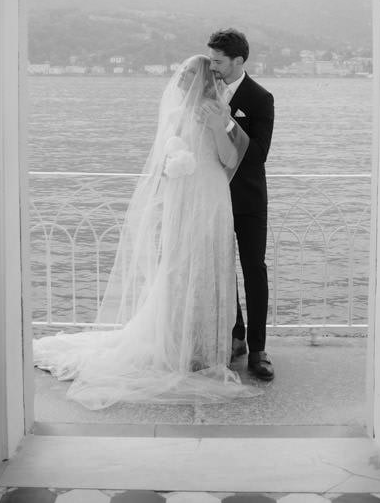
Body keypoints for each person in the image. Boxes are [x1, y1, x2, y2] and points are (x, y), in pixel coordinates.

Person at [32, 55, 259, 409]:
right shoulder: (172, 116)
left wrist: (218, 126)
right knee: (180, 267)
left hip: (212, 198)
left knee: (212, 268)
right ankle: (178, 345)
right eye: (181, 73)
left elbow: (230, 160)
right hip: (183, 199)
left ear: (202, 79)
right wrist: (173, 168)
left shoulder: (220, 111)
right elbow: (162, 165)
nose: (181, 77)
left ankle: (207, 350)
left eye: (188, 73)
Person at [207, 28, 276, 382]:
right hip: (213, 198)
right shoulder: (204, 93)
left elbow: (259, 154)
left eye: (219, 61)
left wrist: (226, 119)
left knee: (254, 270)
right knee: (221, 269)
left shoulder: (261, 98)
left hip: (248, 199)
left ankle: (259, 348)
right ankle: (236, 335)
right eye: (212, 60)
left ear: (238, 61)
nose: (213, 67)